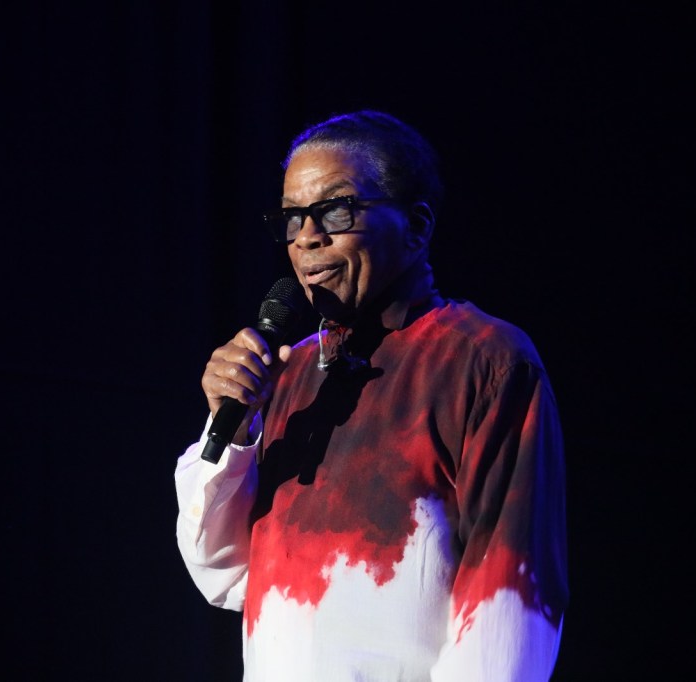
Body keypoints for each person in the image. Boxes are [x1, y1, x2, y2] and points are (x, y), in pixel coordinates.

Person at [174, 110, 568, 681]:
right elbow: (221, 570)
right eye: (292, 218)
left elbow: (508, 606)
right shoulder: (291, 370)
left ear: (416, 226)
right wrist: (231, 430)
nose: (307, 236)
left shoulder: (484, 359)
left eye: (336, 210)